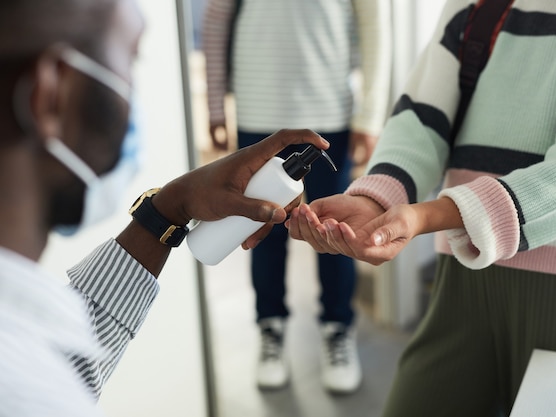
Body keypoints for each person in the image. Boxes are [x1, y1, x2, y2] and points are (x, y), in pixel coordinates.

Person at [288, 0, 556, 415]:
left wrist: (428, 216)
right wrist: (374, 199)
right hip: (460, 283)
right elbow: (420, 120)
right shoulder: (471, 6)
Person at [0, 0, 330, 415]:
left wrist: (167, 210)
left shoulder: (25, 358)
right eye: (130, 56)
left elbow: (68, 365)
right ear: (50, 96)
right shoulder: (33, 397)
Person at [202, 0, 391, 392]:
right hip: (258, 112)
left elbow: (374, 21)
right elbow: (217, 16)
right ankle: (270, 329)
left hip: (329, 113)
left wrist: (370, 116)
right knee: (261, 231)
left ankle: (338, 328)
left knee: (335, 231)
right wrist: (215, 103)